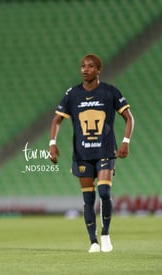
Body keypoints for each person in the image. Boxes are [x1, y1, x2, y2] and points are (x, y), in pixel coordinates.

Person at [49, 54, 134, 253]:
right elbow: (56, 120)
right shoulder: (72, 94)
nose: (85, 69)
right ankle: (93, 241)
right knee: (88, 198)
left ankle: (105, 235)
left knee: (104, 193)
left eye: (90, 66)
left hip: (105, 150)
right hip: (82, 154)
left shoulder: (110, 92)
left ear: (98, 70)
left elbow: (129, 118)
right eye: (82, 66)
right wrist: (52, 143)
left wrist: (125, 142)